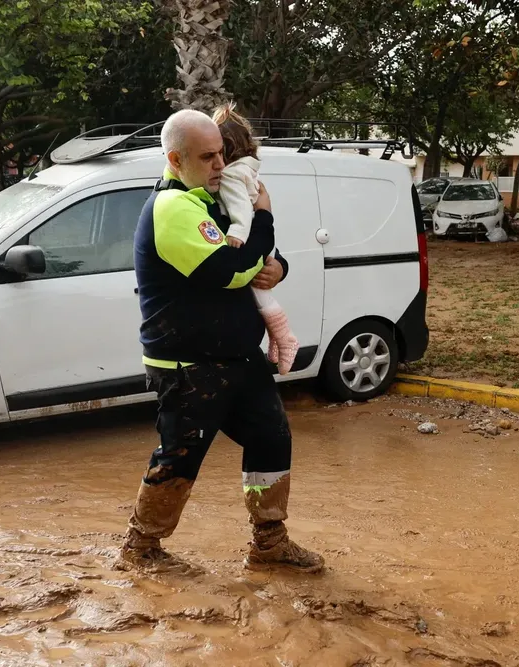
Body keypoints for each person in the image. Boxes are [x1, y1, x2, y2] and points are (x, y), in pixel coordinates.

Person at [118, 108, 324, 576]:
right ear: (175, 158)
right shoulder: (174, 208)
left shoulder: (210, 199)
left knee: (271, 438)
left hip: (237, 357)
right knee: (181, 454)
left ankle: (269, 542)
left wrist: (280, 266)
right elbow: (229, 270)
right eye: (209, 157)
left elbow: (253, 251)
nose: (220, 166)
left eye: (222, 156)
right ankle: (141, 546)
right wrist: (267, 217)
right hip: (187, 364)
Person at [211, 103, 299, 375]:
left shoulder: (228, 177)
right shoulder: (247, 171)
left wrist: (280, 267)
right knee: (263, 300)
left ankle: (283, 337)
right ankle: (280, 337)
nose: (214, 163)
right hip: (226, 346)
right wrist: (263, 214)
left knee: (263, 298)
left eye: (216, 152)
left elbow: (253, 227)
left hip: (241, 349)